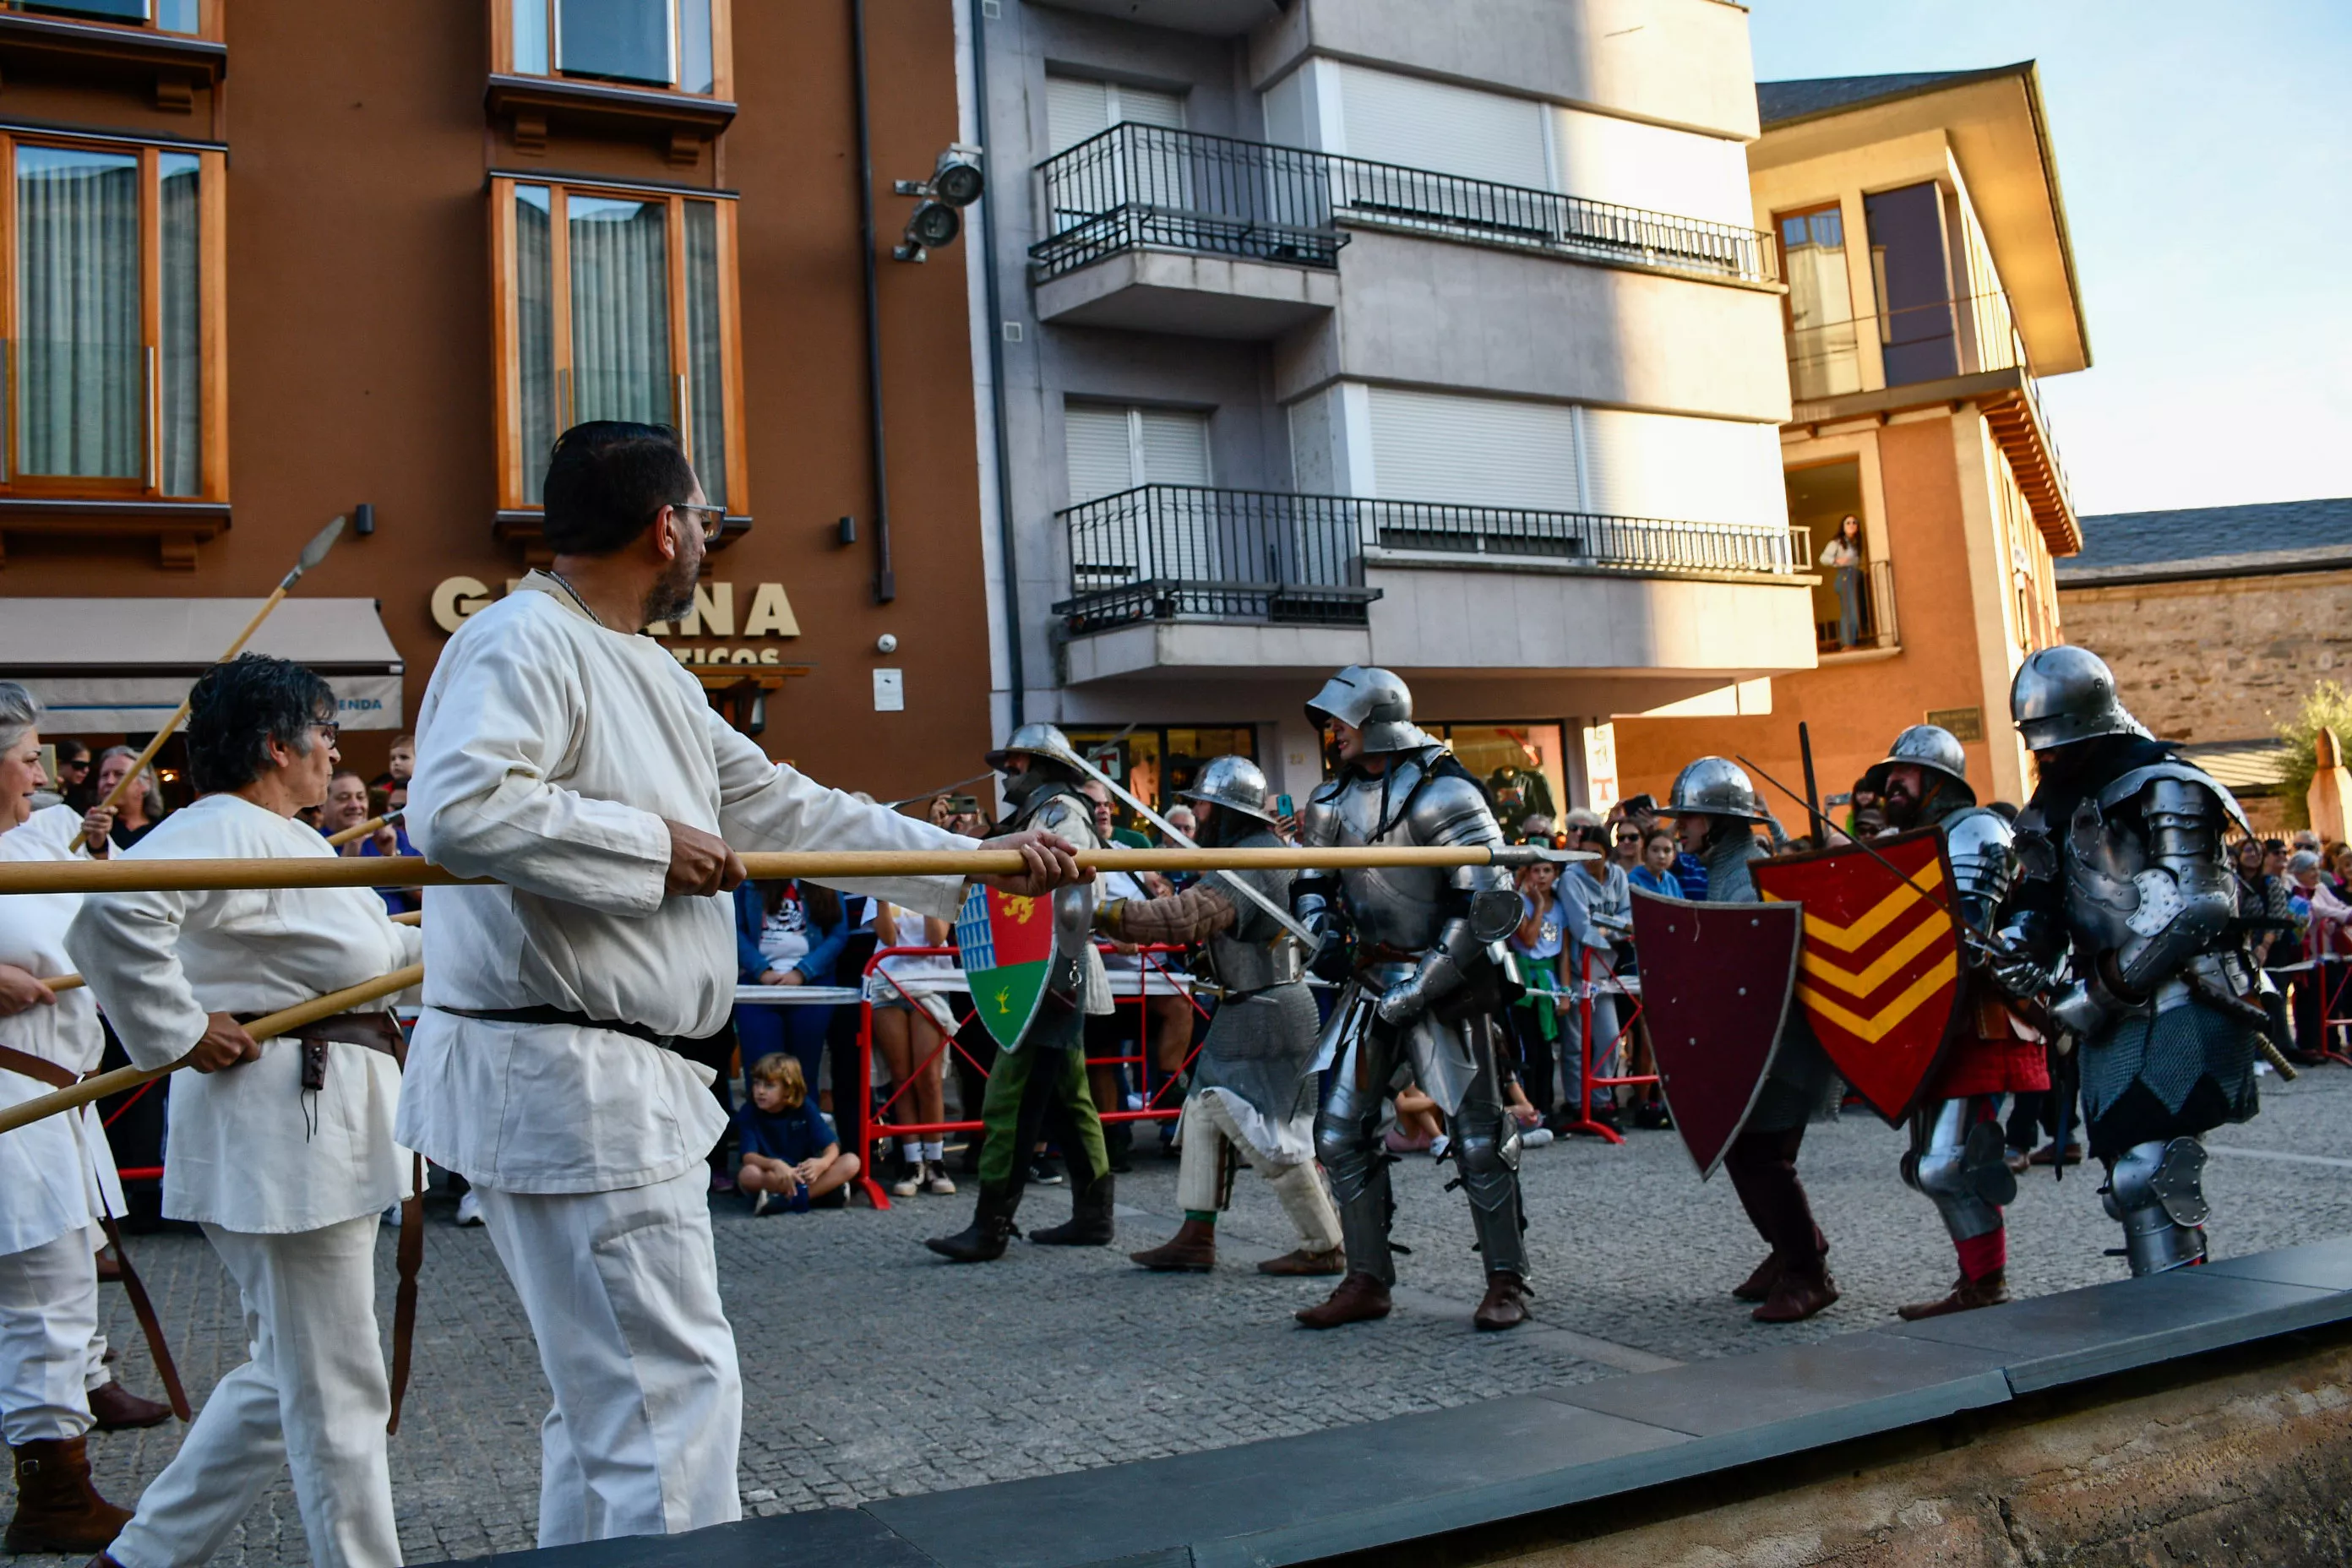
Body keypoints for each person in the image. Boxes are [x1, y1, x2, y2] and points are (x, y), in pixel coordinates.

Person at [397, 421, 1079, 1547]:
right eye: (703, 518)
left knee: (609, 1408)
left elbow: (788, 808)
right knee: (668, 1407)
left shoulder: (650, 668)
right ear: (666, 529)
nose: (708, 540)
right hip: (577, 1078)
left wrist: (976, 863)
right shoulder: (520, 640)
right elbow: (458, 808)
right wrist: (647, 846)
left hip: (607, 1079)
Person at [68, 655, 422, 1568]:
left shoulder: (284, 837)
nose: (335, 750)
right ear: (278, 744)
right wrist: (180, 1028)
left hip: (304, 1134)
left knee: (286, 1373)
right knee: (337, 1383)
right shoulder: (217, 828)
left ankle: (141, 1555)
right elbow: (107, 922)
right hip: (287, 1138)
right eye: (326, 732)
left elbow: (367, 949)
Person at [1987, 645, 2263, 1275]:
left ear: (2093, 724)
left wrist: (2106, 989)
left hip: (2187, 994)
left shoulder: (2166, 784)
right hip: (2107, 1013)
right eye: (2039, 744)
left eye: (2058, 741)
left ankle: (2182, 1316)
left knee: (2149, 1171)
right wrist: (2018, 945)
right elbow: (2043, 903)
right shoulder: (2053, 805)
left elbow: (2201, 907)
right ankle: (2168, 1305)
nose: (2047, 755)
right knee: (2124, 1180)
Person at [1288, 667, 1531, 1331]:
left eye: (1341, 721)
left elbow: (1486, 901)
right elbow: (1311, 884)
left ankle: (1506, 1281)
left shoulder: (1443, 793)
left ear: (1375, 722)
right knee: (1337, 1133)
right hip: (1368, 977)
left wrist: (1425, 984)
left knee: (1479, 1137)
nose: (1331, 732)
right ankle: (1366, 1278)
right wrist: (1323, 929)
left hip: (1446, 983)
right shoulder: (1329, 801)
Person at [0, 685, 173, 1557]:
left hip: (56, 1095)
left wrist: (99, 852)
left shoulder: (41, 833)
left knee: (63, 1278)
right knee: (43, 1297)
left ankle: (81, 1399)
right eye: (27, 753)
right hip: (11, 1102)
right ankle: (54, 1493)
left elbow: (101, 914)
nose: (42, 766)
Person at [1092, 756, 1344, 1277]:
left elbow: (1187, 917)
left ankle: (1325, 1243)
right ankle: (1195, 1235)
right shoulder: (1251, 852)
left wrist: (1104, 911)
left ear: (1226, 809)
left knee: (1273, 1132)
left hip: (1267, 1010)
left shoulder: (1251, 861)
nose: (1197, 813)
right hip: (1249, 1004)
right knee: (1206, 1111)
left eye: (1202, 804)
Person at [1856, 726, 2051, 1319]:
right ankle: (1980, 1285)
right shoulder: (1905, 842)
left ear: (1938, 781)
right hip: (1929, 1022)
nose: (1890, 784)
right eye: (1888, 776)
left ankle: (1987, 1287)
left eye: (1904, 773)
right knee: (1927, 1168)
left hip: (1976, 1019)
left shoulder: (1973, 831)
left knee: (1945, 1166)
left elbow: (1968, 942)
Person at [928, 724, 1116, 1262]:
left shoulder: (1060, 812)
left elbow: (1075, 891)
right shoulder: (1037, 814)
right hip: (1045, 970)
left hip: (1053, 972)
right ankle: (1094, 1214)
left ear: (1041, 765)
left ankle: (990, 1225)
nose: (1007, 771)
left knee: (1010, 1093)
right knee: (1066, 1094)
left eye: (1016, 763)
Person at [1669, 757, 1839, 1322]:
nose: (1679, 828)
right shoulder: (1729, 871)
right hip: (1763, 1046)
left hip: (1778, 1048)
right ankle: (1792, 1251)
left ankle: (1807, 1272)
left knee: (1763, 1159)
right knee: (1754, 1155)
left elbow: (1757, 975)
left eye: (1689, 817)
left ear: (1718, 821)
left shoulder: (1750, 877)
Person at [868, 896, 958, 1196]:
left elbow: (937, 938)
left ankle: (936, 1161)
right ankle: (911, 1162)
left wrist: (928, 887)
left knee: (929, 1080)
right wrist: (882, 894)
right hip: (887, 982)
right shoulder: (883, 878)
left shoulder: (939, 881)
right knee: (902, 1079)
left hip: (930, 982)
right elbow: (888, 937)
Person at [1554, 808, 1631, 1130]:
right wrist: (1612, 930)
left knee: (1609, 1038)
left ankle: (1600, 1101)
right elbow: (1582, 927)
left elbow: (1629, 919)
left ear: (1607, 853)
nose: (1589, 860)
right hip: (1575, 970)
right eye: (1584, 853)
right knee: (1574, 1043)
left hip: (1606, 972)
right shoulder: (1571, 878)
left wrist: (1608, 930)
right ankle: (1576, 1102)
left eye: (1596, 854)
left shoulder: (1618, 877)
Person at [733, 1054, 859, 1214]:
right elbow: (748, 1156)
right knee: (747, 1175)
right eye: (757, 1084)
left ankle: (786, 1200)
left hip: (805, 1172)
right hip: (774, 1173)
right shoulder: (749, 1111)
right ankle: (820, 1194)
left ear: (788, 1089)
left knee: (852, 1161)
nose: (760, 1091)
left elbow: (831, 1146)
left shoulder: (804, 1107)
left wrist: (822, 1164)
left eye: (769, 1086)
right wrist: (775, 1164)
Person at [1506, 860, 1567, 1126]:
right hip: (1523, 981)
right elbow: (1529, 939)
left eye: (1547, 870)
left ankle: (1546, 1106)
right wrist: (1539, 905)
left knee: (1546, 1048)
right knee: (1528, 1048)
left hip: (1548, 980)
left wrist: (1565, 991)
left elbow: (1563, 953)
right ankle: (1529, 1109)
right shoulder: (1518, 903)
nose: (1541, 876)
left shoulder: (1562, 906)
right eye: (1536, 870)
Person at [91, 748, 163, 851]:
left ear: (145, 784)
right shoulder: (88, 829)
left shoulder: (162, 830)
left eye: (119, 774)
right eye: (104, 775)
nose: (109, 781)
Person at [1819, 514, 1865, 649]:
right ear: (1843, 526)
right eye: (1848, 523)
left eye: (1854, 523)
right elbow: (1823, 558)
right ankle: (1848, 643)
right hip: (1845, 576)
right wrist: (1836, 561)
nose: (1851, 525)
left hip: (1855, 576)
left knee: (1855, 610)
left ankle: (1852, 641)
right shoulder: (1837, 542)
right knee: (1849, 611)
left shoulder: (1856, 543)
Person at [1628, 828, 1681, 898]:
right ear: (1645, 852)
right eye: (1655, 850)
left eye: (1667, 851)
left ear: (1674, 855)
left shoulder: (1671, 881)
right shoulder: (1632, 880)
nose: (1661, 856)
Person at [53, 740, 93, 813]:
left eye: (88, 766)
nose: (86, 770)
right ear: (59, 764)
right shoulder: (41, 790)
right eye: (79, 765)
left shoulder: (81, 796)